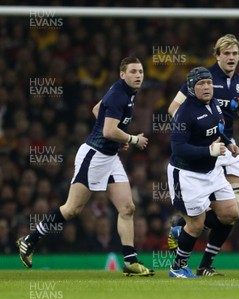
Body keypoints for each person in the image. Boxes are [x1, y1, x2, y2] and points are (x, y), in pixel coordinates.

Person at [17, 57, 154, 276]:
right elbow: (109, 131)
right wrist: (131, 139)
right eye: (133, 71)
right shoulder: (119, 94)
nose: (139, 75)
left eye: (141, 71)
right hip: (94, 156)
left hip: (110, 157)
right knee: (72, 209)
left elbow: (96, 109)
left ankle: (131, 262)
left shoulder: (125, 92)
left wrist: (118, 139)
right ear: (122, 74)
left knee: (127, 207)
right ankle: (29, 240)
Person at [166, 34, 239, 276]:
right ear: (217, 56)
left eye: (235, 54)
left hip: (224, 143)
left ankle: (202, 259)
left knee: (231, 212)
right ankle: (187, 233)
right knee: (204, 217)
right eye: (226, 53)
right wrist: (194, 133)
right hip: (200, 147)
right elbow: (174, 108)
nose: (231, 58)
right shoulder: (203, 78)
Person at [167, 67, 239, 278]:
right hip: (187, 174)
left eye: (209, 83)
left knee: (230, 214)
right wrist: (209, 150)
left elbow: (218, 130)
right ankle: (177, 267)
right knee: (196, 226)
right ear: (191, 87)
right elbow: (178, 149)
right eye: (201, 84)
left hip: (212, 172)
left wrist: (229, 144)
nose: (207, 87)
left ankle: (182, 231)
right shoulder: (185, 113)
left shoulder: (214, 104)